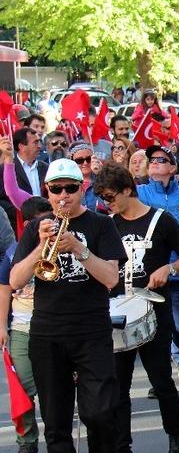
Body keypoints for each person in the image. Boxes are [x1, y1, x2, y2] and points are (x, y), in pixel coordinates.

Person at [9, 158, 126, 452]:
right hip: (47, 333)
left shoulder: (101, 224)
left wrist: (78, 247)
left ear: (82, 188)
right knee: (56, 423)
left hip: (91, 331)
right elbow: (14, 280)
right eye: (56, 189)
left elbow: (112, 278)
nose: (63, 195)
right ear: (47, 191)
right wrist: (40, 246)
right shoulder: (37, 226)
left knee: (98, 413)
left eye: (70, 188)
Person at [93, 163, 179, 453]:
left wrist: (170, 267)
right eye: (102, 198)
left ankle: (177, 439)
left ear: (128, 189)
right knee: (119, 386)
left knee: (161, 381)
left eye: (111, 196)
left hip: (154, 311)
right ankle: (122, 444)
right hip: (117, 313)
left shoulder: (161, 220)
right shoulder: (107, 225)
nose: (106, 202)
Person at [137, 146, 179, 387]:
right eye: (152, 159)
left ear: (173, 168)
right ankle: (161, 376)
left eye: (162, 159)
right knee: (154, 326)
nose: (155, 162)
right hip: (149, 273)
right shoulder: (139, 192)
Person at [0, 197, 51, 453]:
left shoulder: (62, 247)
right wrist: (1, 326)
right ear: (29, 224)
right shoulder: (14, 252)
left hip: (54, 329)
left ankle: (55, 436)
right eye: (41, 221)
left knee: (53, 390)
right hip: (21, 329)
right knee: (23, 389)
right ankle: (27, 443)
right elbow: (5, 288)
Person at [0, 127, 47, 225]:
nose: (39, 146)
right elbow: (4, 197)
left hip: (47, 220)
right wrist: (24, 211)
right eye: (35, 142)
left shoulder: (47, 168)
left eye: (39, 142)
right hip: (18, 225)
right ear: (21, 146)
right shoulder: (5, 169)